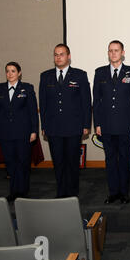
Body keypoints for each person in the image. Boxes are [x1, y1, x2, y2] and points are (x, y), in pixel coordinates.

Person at [93, 40, 130, 204]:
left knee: (124, 160)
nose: (113, 53)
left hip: (125, 126)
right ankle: (113, 192)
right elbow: (97, 100)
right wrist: (98, 123)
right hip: (106, 125)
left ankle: (124, 192)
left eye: (116, 50)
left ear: (123, 52)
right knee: (110, 160)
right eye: (110, 51)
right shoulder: (100, 73)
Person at [39, 44, 92, 198]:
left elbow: (86, 102)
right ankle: (61, 192)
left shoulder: (80, 75)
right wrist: (44, 125)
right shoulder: (45, 76)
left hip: (74, 127)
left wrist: (86, 125)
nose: (58, 57)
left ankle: (73, 192)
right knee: (58, 162)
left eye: (62, 54)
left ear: (68, 56)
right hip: (54, 127)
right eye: (56, 54)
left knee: (72, 162)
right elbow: (43, 103)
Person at [0, 62, 38, 202]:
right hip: (5, 133)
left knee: (23, 162)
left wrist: (34, 130)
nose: (10, 74)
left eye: (13, 71)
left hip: (23, 132)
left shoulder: (27, 88)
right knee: (10, 163)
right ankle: (13, 191)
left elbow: (32, 112)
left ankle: (23, 191)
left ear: (19, 73)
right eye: (7, 71)